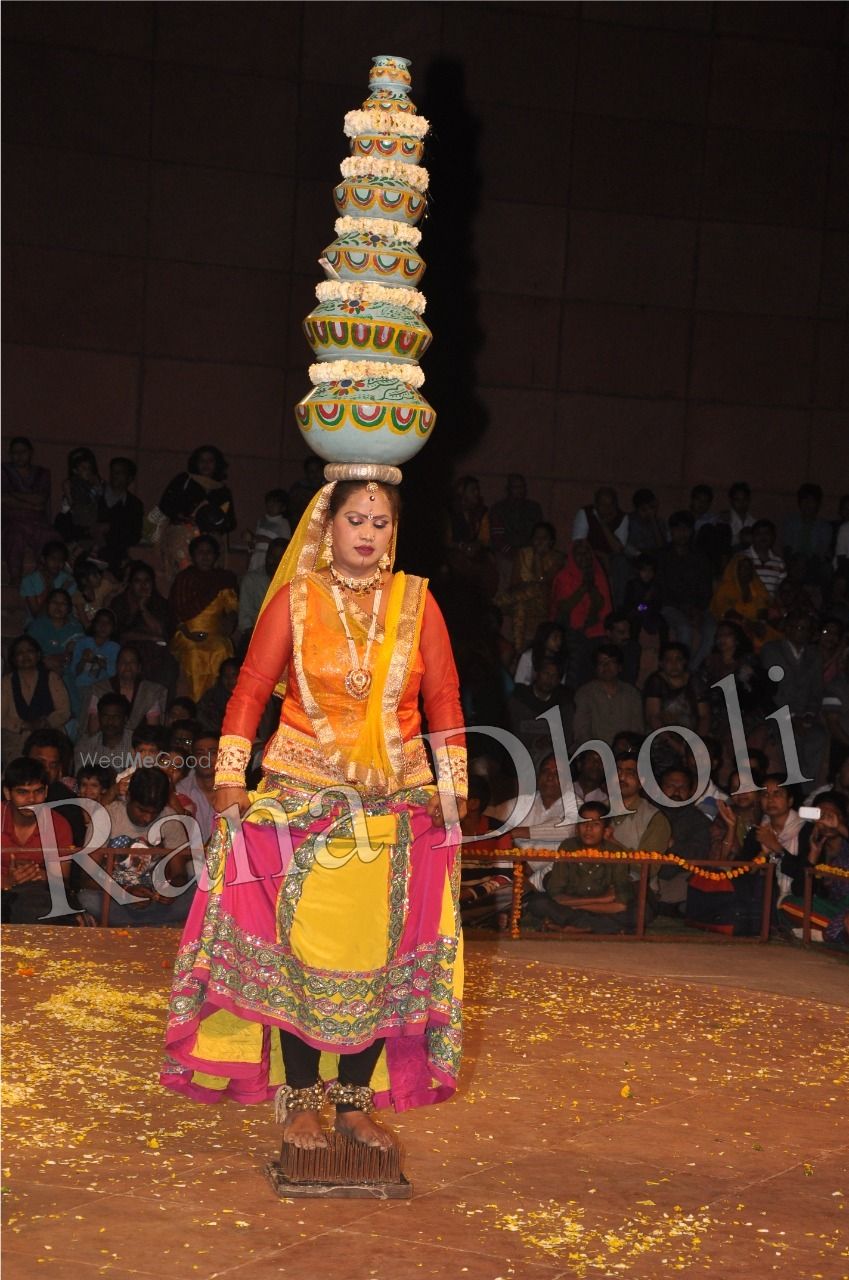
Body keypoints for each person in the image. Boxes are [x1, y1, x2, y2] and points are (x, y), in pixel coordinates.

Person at [161, 477, 467, 1151]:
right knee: (297, 951)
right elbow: (248, 690)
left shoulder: (417, 604)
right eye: (354, 518)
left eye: (380, 522)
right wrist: (230, 780)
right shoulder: (296, 603)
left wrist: (453, 789)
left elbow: (443, 697)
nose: (366, 533)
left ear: (393, 532)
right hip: (301, 803)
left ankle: (354, 1104)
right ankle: (300, 1098)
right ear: (326, 527)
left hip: (398, 806)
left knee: (382, 955)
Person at [77, 766, 195, 927]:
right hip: (115, 898)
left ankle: (137, 923)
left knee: (197, 893)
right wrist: (125, 891)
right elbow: (85, 877)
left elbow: (180, 873)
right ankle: (153, 923)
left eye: (155, 812)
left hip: (156, 901)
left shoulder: (170, 818)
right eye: (142, 810)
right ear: (128, 796)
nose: (147, 818)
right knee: (88, 899)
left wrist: (172, 889)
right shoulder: (106, 817)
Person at [526, 802, 635, 934]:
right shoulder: (568, 846)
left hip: (592, 908)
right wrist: (599, 900)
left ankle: (575, 926)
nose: (588, 829)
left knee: (637, 911)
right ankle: (593, 927)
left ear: (606, 830)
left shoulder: (616, 853)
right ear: (577, 828)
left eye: (595, 824)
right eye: (584, 823)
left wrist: (581, 906)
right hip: (577, 905)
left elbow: (621, 904)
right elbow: (556, 895)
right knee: (538, 903)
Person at [1, 758, 80, 925]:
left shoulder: (59, 824)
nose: (31, 799)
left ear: (46, 792)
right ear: (7, 793)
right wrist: (8, 881)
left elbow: (63, 880)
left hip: (36, 898)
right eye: (22, 792)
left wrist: (38, 874)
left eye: (38, 791)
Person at [169, 535, 238, 701]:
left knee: (221, 650)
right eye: (200, 552)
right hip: (187, 634)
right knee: (194, 653)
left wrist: (228, 624)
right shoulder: (183, 579)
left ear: (215, 556)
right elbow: (175, 612)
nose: (205, 556)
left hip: (215, 634)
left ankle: (220, 703)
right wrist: (189, 633)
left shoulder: (224, 579)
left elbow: (232, 608)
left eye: (209, 552)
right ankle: (196, 703)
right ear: (192, 556)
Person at [156, 445, 236, 585]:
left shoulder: (222, 491)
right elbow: (166, 505)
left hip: (209, 540)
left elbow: (230, 521)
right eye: (202, 460)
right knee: (185, 578)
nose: (206, 464)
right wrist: (182, 517)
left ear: (217, 464)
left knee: (208, 580)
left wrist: (214, 524)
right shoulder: (184, 480)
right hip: (183, 538)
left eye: (210, 460)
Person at [655, 510, 715, 669]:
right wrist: (685, 608)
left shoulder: (700, 556)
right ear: (671, 531)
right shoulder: (662, 556)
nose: (682, 534)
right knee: (684, 629)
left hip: (699, 607)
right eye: (678, 529)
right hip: (671, 606)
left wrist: (698, 609)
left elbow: (706, 588)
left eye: (686, 529)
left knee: (712, 631)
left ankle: (691, 671)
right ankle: (680, 673)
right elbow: (662, 588)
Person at [550, 540, 613, 687]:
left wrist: (591, 587)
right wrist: (582, 589)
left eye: (587, 553)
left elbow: (602, 606)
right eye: (579, 554)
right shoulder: (564, 577)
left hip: (593, 629)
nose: (584, 557)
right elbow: (563, 608)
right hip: (568, 629)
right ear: (572, 556)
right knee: (577, 650)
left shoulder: (597, 575)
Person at [1, 636, 71, 765]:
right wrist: (23, 725)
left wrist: (45, 722)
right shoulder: (6, 682)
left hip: (50, 735)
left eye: (30, 651)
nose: (25, 656)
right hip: (17, 740)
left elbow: (64, 711)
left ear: (38, 655)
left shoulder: (52, 678)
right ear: (13, 659)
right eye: (20, 653)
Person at [110, 560, 176, 693]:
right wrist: (150, 637)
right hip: (127, 649)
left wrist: (143, 608)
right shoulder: (120, 603)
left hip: (156, 652)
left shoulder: (160, 603)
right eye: (137, 581)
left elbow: (161, 631)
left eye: (147, 581)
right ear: (130, 584)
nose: (143, 585)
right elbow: (120, 633)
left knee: (167, 662)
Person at [501, 521, 563, 655]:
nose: (539, 541)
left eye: (544, 538)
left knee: (537, 588)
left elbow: (545, 583)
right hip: (520, 599)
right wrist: (526, 587)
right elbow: (514, 585)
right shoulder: (523, 554)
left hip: (544, 602)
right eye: (536, 537)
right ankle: (518, 651)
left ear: (551, 541)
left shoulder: (558, 558)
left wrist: (537, 557)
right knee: (521, 606)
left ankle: (496, 602)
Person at [2, 436, 55, 585]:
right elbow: (2, 498)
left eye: (22, 451)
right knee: (15, 536)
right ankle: (15, 579)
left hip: (37, 521)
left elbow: (41, 499)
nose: (19, 456)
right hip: (12, 520)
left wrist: (13, 496)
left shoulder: (42, 473)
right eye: (14, 452)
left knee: (50, 538)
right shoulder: (3, 471)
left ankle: (47, 580)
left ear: (30, 452)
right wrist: (31, 505)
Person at [84, 643, 167, 736]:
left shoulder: (150, 692)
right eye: (123, 662)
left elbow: (153, 730)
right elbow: (93, 730)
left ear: (139, 668)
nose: (127, 665)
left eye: (132, 662)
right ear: (116, 666)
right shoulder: (100, 689)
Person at [572, 644, 644, 748]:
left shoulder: (632, 694)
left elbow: (637, 729)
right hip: (593, 752)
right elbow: (581, 731)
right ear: (596, 668)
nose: (606, 666)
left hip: (624, 751)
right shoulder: (584, 693)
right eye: (601, 663)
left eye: (611, 662)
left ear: (619, 667)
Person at [709, 554, 779, 651]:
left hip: (754, 626)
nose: (746, 571)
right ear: (735, 569)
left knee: (777, 639)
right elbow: (727, 612)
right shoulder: (726, 588)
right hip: (733, 625)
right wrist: (749, 623)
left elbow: (762, 611)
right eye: (743, 567)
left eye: (749, 568)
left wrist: (770, 617)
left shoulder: (757, 588)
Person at [97, 456, 143, 573]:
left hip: (116, 561)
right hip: (89, 556)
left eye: (120, 472)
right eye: (113, 471)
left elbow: (134, 536)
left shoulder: (134, 505)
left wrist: (111, 528)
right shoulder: (95, 494)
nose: (115, 475)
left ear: (130, 478)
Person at [73, 692, 134, 773]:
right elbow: (80, 780)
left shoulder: (137, 744)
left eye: (116, 717)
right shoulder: (85, 747)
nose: (110, 722)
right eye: (105, 716)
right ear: (99, 717)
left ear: (125, 719)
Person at [19, 541, 75, 618]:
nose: (57, 563)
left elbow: (66, 612)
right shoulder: (29, 581)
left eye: (61, 560)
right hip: (37, 626)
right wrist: (60, 589)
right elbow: (37, 615)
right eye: (53, 559)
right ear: (43, 559)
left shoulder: (69, 580)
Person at [246, 488, 291, 572]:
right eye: (269, 501)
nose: (271, 505)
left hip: (271, 559)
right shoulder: (261, 520)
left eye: (275, 503)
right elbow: (254, 544)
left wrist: (265, 540)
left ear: (283, 507)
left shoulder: (283, 523)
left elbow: (285, 544)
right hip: (256, 557)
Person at [196, 659, 239, 736]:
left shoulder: (252, 697)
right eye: (225, 676)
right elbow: (201, 717)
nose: (229, 680)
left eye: (234, 675)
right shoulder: (211, 696)